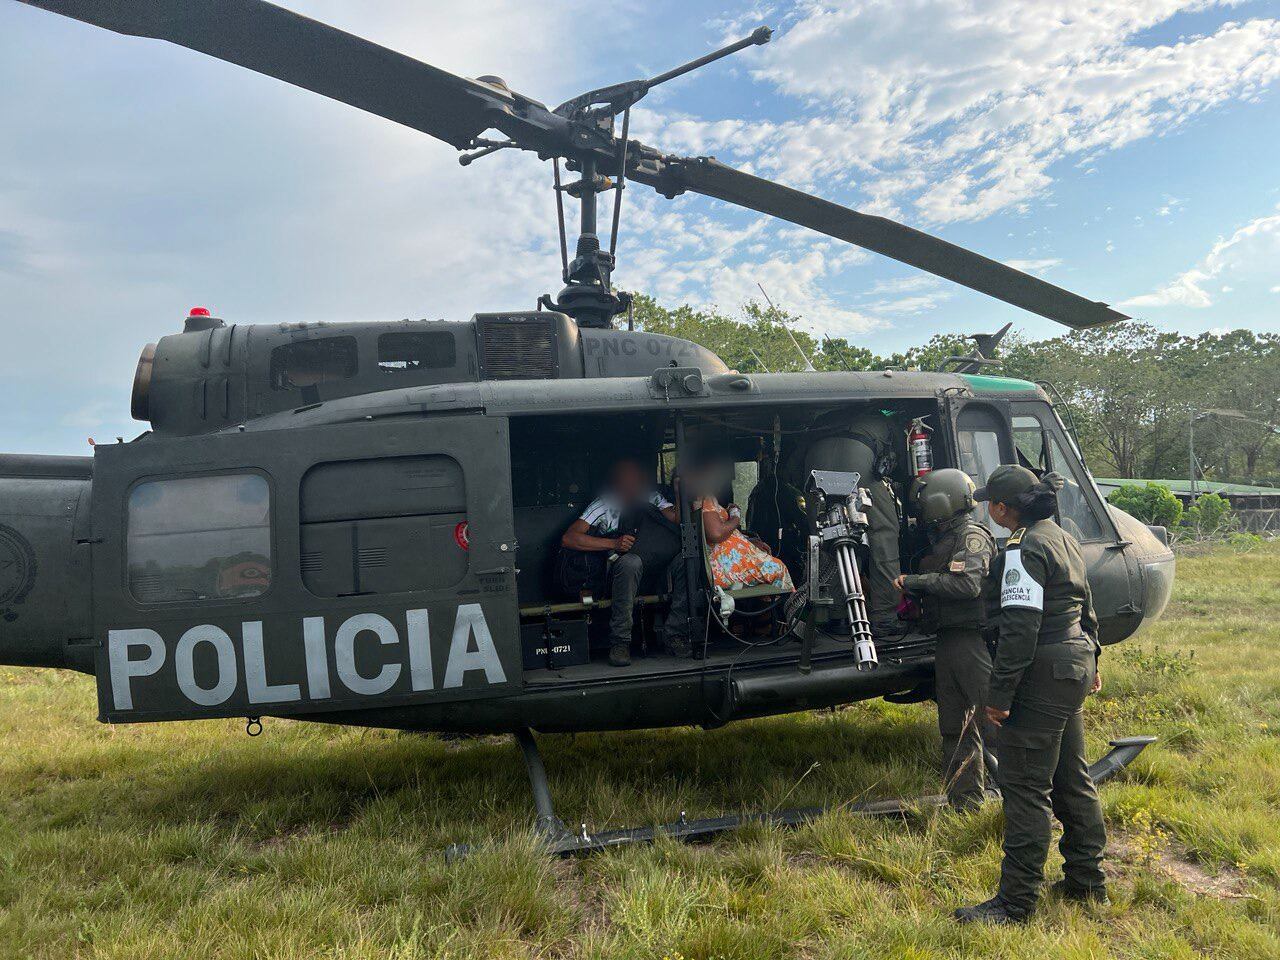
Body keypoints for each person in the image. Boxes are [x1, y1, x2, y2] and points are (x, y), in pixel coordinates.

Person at [954, 464, 1107, 925]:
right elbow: (1086, 602)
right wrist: (1093, 660)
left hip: (1042, 671)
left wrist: (1000, 694)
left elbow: (1020, 629)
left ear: (1003, 508)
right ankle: (1087, 882)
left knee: (1024, 788)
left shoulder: (1023, 548)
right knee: (1071, 778)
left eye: (991, 503)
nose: (988, 509)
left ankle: (1015, 903)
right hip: (1072, 662)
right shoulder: (1060, 536)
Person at [896, 468, 997, 811]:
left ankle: (1022, 795)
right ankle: (966, 804)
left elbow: (968, 585)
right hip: (949, 640)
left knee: (991, 720)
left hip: (972, 641)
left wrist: (916, 581)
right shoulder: (944, 540)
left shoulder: (971, 537)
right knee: (954, 726)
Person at [663, 459, 793, 655]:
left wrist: (749, 542)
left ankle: (752, 622)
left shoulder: (694, 502)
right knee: (779, 567)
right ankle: (767, 623)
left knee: (764, 554)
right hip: (725, 567)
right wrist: (735, 516)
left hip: (726, 559)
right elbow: (716, 534)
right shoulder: (704, 500)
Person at [560, 458, 678, 667]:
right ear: (616, 480)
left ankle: (678, 635)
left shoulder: (653, 498)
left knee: (685, 561)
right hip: (622, 572)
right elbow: (569, 538)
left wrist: (682, 491)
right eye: (625, 476)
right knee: (630, 563)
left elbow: (677, 518)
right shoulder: (604, 503)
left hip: (657, 566)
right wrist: (613, 543)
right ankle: (620, 642)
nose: (631, 481)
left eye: (634, 476)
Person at [802, 412, 906, 637]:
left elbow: (791, 468)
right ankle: (885, 617)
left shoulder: (820, 420)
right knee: (883, 536)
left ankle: (836, 615)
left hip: (814, 469)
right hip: (858, 463)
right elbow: (902, 465)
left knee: (827, 537)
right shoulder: (883, 418)